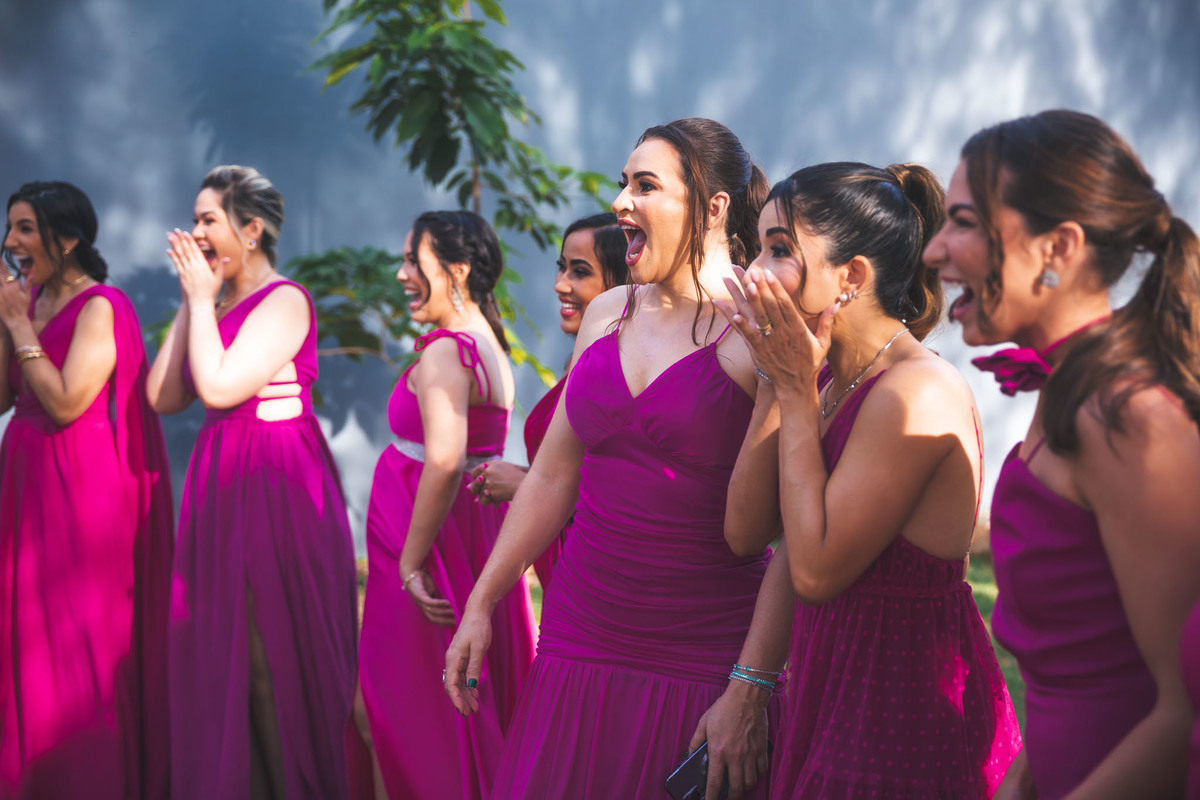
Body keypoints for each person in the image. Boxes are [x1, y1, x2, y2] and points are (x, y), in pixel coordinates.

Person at [446, 117, 791, 799]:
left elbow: (790, 536)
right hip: (579, 634)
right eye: (622, 184)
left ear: (713, 207)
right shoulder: (608, 313)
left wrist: (750, 685)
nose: (620, 202)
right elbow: (551, 473)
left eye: (644, 185)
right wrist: (483, 600)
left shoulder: (762, 331)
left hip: (701, 649)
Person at [722, 161, 1023, 797]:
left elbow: (816, 569)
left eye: (779, 251)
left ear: (852, 277)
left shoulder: (913, 392)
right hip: (832, 686)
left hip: (899, 703)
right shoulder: (829, 378)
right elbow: (749, 533)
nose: (752, 274)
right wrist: (780, 382)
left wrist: (797, 391)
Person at [922, 109, 1200, 799]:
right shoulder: (1066, 388)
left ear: (1057, 247)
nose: (932, 251)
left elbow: (1185, 707)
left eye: (962, 222)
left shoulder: (1129, 419)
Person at [148, 166, 360, 800]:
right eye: (195, 219)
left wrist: (196, 300)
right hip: (223, 478)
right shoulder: (216, 303)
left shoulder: (286, 299)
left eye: (209, 219)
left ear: (253, 229)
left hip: (274, 482)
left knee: (270, 657)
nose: (196, 232)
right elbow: (163, 395)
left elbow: (216, 386)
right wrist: (199, 301)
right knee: (228, 656)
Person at [355, 209, 537, 800]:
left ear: (456, 270)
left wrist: (410, 564)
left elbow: (443, 460)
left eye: (415, 259)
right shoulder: (487, 342)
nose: (403, 272)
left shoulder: (446, 353)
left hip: (431, 553)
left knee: (397, 709)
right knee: (441, 705)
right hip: (468, 539)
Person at [0, 181, 173, 799]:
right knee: (24, 636)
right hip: (26, 479)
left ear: (67, 238)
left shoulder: (102, 306)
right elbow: (6, 396)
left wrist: (19, 323)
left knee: (76, 639)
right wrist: (10, 321)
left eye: (26, 228)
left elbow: (69, 401)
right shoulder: (30, 298)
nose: (14, 241)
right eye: (12, 227)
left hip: (80, 486)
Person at [467, 211, 629, 588]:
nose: (559, 284)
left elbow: (619, 494)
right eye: (561, 268)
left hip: (598, 576)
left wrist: (522, 486)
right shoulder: (582, 358)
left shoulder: (621, 370)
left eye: (580, 271)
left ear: (621, 282)